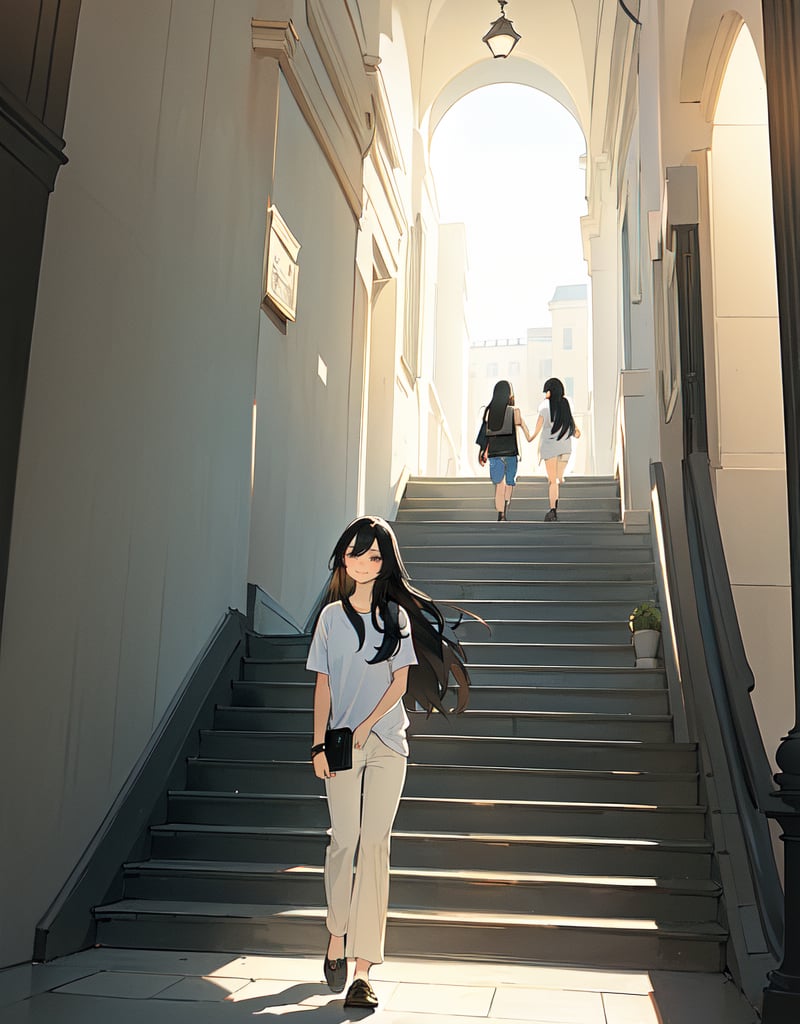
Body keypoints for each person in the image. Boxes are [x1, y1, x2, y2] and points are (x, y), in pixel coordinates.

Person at [306, 516, 471, 1008]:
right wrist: (318, 745)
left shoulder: (396, 617)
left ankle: (362, 971)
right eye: (356, 554)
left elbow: (400, 683)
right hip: (338, 747)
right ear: (344, 559)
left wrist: (366, 725)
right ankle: (336, 934)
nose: (364, 563)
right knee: (343, 841)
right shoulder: (330, 618)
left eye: (375, 556)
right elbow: (323, 685)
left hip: (386, 743)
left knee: (375, 845)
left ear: (386, 563)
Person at [477, 380, 534, 521]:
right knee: (509, 482)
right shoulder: (514, 412)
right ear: (509, 394)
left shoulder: (489, 412)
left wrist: (483, 451)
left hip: (494, 453)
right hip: (510, 452)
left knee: (499, 485)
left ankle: (500, 513)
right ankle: (506, 505)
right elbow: (527, 433)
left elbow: (486, 434)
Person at [530, 377, 581, 522]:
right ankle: (560, 476)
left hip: (550, 448)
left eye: (546, 391)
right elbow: (576, 431)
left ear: (550, 392)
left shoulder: (544, 407)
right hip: (565, 448)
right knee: (557, 478)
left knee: (552, 481)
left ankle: (553, 510)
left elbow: (537, 430)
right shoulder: (565, 404)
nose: (545, 394)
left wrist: (529, 435)